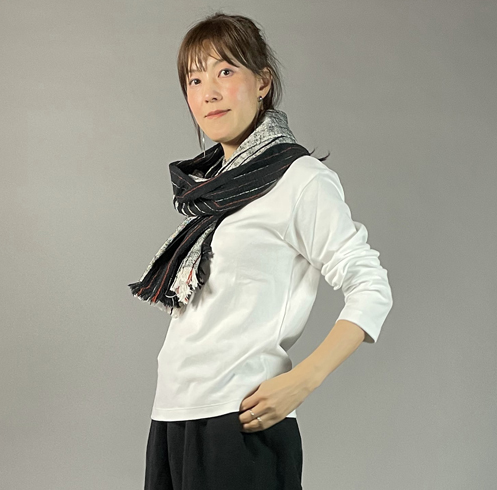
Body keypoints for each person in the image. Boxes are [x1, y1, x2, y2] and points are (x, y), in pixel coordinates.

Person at [129, 11, 394, 490]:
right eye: (194, 79)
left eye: (225, 71)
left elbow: (371, 286)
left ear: (263, 82)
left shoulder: (300, 180)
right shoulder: (213, 194)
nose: (208, 92)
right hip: (173, 417)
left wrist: (301, 382)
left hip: (239, 423)